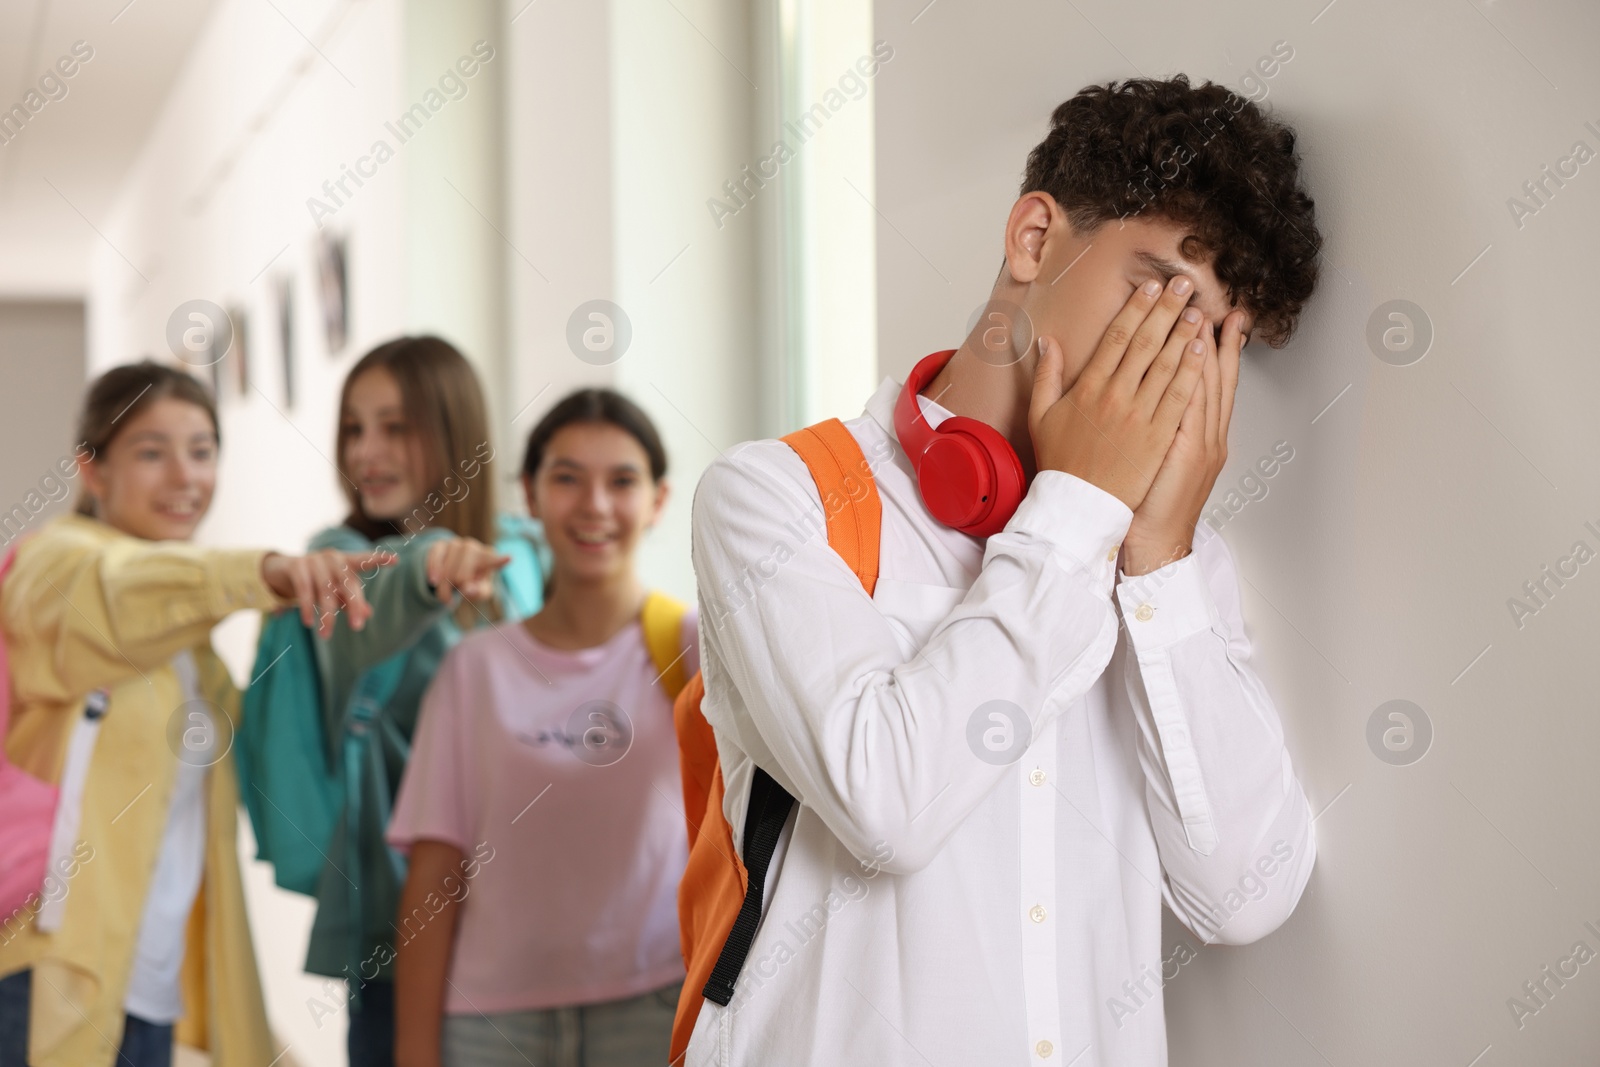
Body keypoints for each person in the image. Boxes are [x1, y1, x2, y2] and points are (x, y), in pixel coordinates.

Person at [679, 74, 1323, 1065]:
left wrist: (1155, 566)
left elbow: (1243, 895)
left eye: (1212, 338)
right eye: (1156, 294)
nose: (1168, 358)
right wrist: (1074, 513)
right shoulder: (774, 497)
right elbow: (885, 803)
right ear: (1033, 239)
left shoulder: (1169, 565)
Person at [0, 360, 389, 1067]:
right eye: (152, 452)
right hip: (46, 972)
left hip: (148, 986)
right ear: (92, 469)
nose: (185, 476)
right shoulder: (53, 567)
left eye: (202, 450)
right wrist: (263, 572)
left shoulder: (190, 645)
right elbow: (119, 594)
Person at [388, 388, 697, 1067]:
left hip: (655, 1007)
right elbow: (435, 876)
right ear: (529, 494)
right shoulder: (474, 670)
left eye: (622, 480)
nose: (595, 505)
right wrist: (413, 1051)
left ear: (658, 500)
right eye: (566, 478)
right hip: (491, 1024)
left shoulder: (694, 651)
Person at [288, 336, 546, 1067]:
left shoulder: (526, 552)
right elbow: (379, 595)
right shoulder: (335, 558)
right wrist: (434, 562)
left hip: (525, 906)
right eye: (353, 428)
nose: (366, 450)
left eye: (394, 426)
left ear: (453, 428)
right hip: (400, 918)